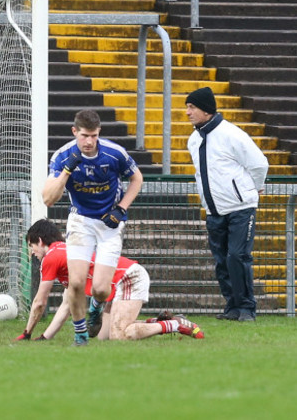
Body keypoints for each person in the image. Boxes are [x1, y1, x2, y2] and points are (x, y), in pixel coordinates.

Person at [42, 110, 143, 346]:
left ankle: (96, 307)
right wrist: (67, 171)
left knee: (100, 288)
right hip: (81, 221)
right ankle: (80, 334)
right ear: (74, 132)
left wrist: (121, 209)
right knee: (76, 282)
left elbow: (137, 178)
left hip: (109, 224)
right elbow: (48, 199)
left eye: (94, 136)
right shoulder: (63, 156)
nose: (89, 142)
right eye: (85, 136)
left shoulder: (114, 153)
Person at [14, 219, 204, 341]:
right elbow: (66, 306)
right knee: (104, 337)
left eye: (31, 246)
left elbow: (40, 302)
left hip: (128, 277)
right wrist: (44, 338)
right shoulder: (66, 252)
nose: (32, 253)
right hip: (121, 281)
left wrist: (27, 333)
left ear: (40, 241)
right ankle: (160, 320)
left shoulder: (51, 257)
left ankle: (174, 325)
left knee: (120, 335)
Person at [186, 87, 269, 322]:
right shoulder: (194, 139)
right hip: (214, 210)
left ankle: (246, 308)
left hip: (240, 207)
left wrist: (255, 187)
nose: (188, 112)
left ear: (206, 110)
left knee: (237, 256)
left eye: (192, 107)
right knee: (222, 261)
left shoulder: (232, 134)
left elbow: (259, 164)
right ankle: (232, 306)